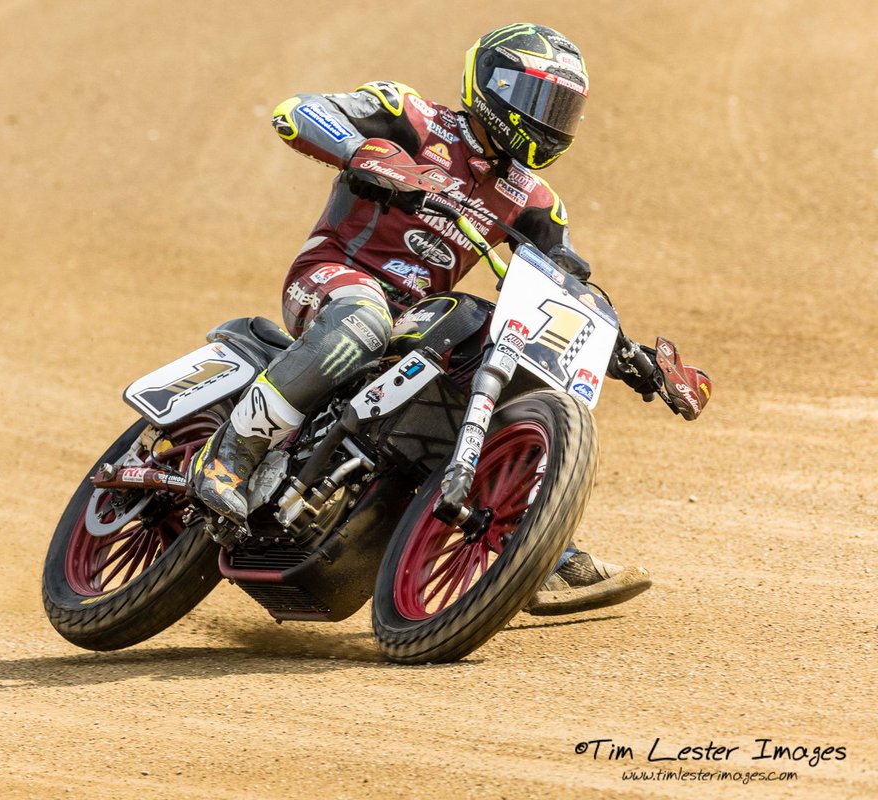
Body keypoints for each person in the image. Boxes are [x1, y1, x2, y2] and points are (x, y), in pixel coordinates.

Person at [190, 23, 710, 615]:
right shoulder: (410, 114)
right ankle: (230, 455)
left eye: (564, 108)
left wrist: (635, 358)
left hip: (416, 319)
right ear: (493, 83)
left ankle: (531, 544)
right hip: (336, 277)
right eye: (541, 99)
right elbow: (296, 113)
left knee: (500, 365)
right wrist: (377, 160)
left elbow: (565, 286)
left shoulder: (535, 200)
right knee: (364, 320)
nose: (551, 118)